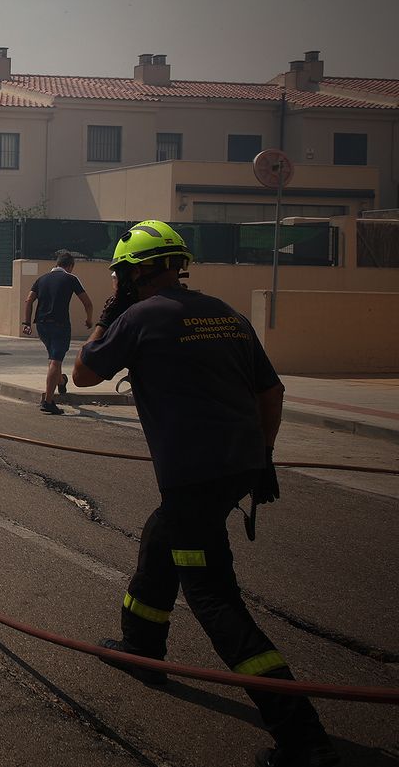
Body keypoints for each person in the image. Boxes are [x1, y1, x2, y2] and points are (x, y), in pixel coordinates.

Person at [71, 220, 333, 767]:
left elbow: (84, 375)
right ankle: (143, 646)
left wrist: (110, 315)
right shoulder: (226, 314)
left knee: (213, 595)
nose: (120, 282)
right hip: (237, 468)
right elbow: (272, 390)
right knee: (160, 534)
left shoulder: (141, 316)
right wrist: (261, 455)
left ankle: (301, 735)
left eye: (122, 274)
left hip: (193, 478)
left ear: (136, 272)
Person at [22, 250, 94, 415]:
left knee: (54, 359)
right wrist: (89, 319)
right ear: (70, 266)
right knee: (55, 360)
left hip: (41, 326)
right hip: (60, 326)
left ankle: (61, 381)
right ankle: (48, 401)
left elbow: (29, 300)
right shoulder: (71, 279)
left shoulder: (41, 279)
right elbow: (88, 303)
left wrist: (26, 322)